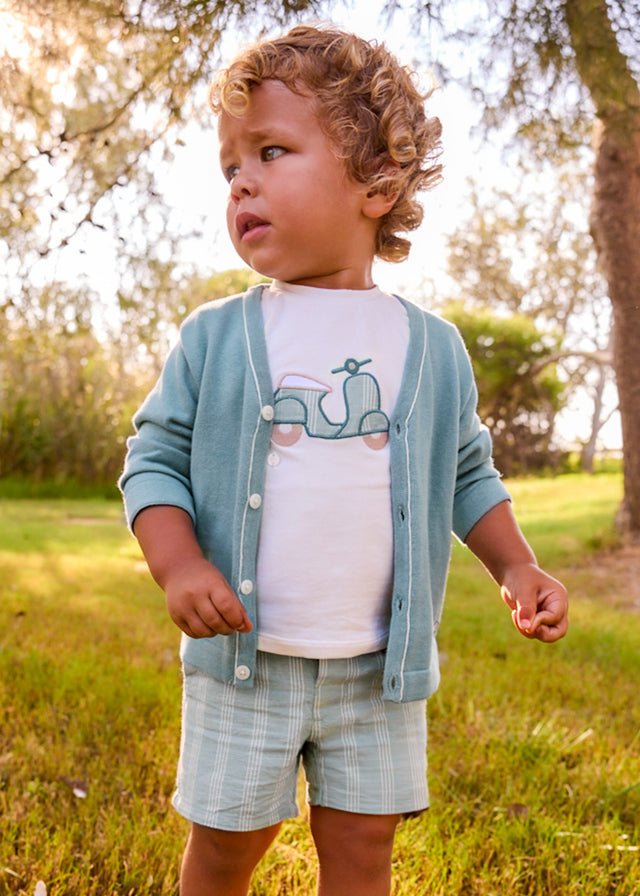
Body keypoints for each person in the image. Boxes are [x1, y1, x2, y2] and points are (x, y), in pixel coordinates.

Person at [119, 24, 569, 896]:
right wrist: (176, 564)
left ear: (378, 181)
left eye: (272, 150)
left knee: (363, 851)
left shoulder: (432, 349)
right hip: (245, 659)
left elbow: (467, 474)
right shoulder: (218, 336)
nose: (242, 180)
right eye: (230, 167)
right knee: (226, 849)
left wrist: (516, 565)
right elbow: (154, 457)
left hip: (379, 670)